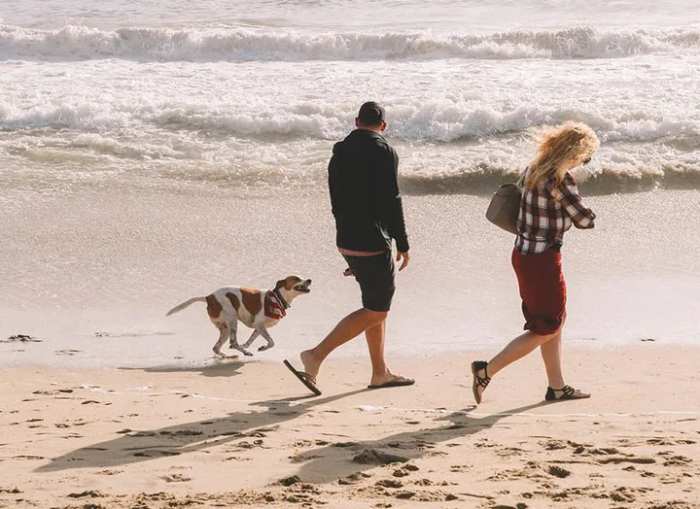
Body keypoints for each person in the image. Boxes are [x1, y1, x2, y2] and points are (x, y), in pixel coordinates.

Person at [284, 101, 414, 395]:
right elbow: (391, 201)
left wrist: (349, 242)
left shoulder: (339, 152)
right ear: (383, 125)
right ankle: (315, 355)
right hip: (372, 241)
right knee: (377, 310)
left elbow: (335, 200)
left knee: (374, 304)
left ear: (357, 122)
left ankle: (380, 373)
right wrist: (402, 242)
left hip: (346, 239)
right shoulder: (384, 151)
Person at [471, 122, 599, 404]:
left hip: (523, 254)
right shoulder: (560, 179)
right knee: (547, 326)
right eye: (585, 156)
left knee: (553, 321)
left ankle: (556, 387)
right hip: (543, 260)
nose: (584, 161)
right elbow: (584, 221)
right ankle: (486, 370)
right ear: (575, 152)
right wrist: (588, 210)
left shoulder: (534, 169)